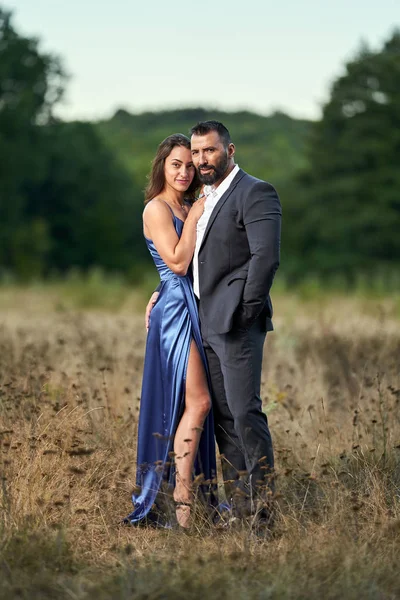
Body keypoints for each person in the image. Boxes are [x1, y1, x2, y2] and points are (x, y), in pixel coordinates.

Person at [146, 121, 282, 526]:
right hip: (202, 323)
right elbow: (188, 262)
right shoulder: (201, 198)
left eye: (209, 151)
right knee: (224, 422)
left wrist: (245, 312)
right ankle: (240, 511)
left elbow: (265, 259)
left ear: (230, 150)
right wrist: (161, 291)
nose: (201, 160)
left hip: (236, 325)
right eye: (196, 153)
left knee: (245, 414)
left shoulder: (255, 192)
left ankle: (263, 515)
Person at [124, 133, 217, 529]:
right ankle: (181, 498)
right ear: (162, 165)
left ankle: (184, 501)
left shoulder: (186, 203)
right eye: (176, 163)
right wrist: (196, 214)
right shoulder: (157, 208)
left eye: (189, 165)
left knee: (188, 405)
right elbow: (177, 263)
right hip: (176, 313)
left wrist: (158, 289)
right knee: (199, 403)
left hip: (189, 304)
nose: (183, 171)